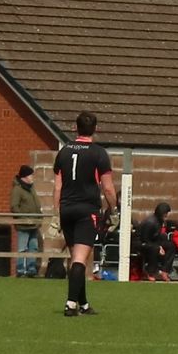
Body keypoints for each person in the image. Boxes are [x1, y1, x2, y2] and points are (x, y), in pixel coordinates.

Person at [54, 111, 116, 314]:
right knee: (81, 259)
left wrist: (57, 213)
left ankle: (84, 304)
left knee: (76, 259)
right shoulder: (98, 153)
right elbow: (107, 187)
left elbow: (57, 186)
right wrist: (113, 207)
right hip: (86, 210)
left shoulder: (63, 152)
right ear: (95, 129)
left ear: (76, 127)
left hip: (66, 209)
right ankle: (71, 303)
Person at [11, 164, 43, 278]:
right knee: (22, 248)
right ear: (25, 176)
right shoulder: (17, 189)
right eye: (30, 175)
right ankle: (20, 270)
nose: (32, 177)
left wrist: (39, 217)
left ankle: (31, 269)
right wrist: (22, 219)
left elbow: (36, 204)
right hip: (24, 225)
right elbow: (14, 206)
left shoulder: (31, 188)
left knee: (33, 247)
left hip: (34, 224)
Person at [133, 201, 176, 281]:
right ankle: (150, 272)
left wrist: (160, 245)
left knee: (171, 246)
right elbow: (145, 239)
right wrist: (159, 247)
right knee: (154, 249)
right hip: (141, 243)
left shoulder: (159, 221)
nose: (166, 215)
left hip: (152, 241)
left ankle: (165, 270)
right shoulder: (150, 222)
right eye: (165, 213)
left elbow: (155, 237)